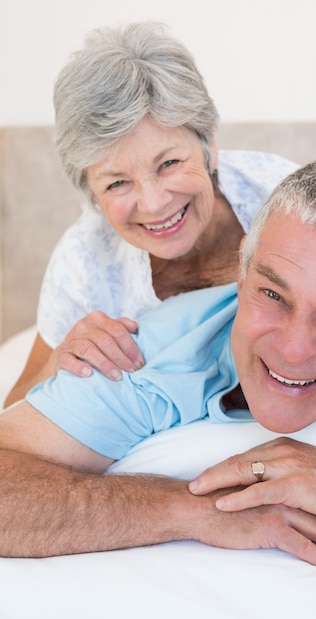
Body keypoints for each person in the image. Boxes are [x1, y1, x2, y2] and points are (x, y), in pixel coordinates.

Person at [1, 157, 316, 571]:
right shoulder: (143, 357)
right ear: (242, 273)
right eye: (272, 295)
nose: (293, 350)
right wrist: (191, 510)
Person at [3, 21, 296, 408]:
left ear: (209, 145)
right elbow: (13, 417)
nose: (155, 203)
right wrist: (60, 361)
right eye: (117, 183)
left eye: (169, 162)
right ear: (92, 193)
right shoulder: (83, 261)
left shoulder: (288, 199)